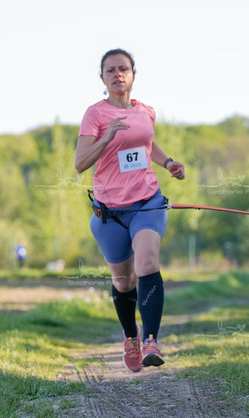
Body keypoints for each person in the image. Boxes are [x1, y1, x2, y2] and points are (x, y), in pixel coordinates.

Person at [75, 48, 185, 373]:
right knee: (124, 283)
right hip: (110, 213)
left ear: (133, 75)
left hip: (147, 202)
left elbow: (146, 145)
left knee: (147, 262)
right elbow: (80, 163)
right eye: (110, 70)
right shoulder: (95, 115)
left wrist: (167, 162)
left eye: (123, 69)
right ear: (102, 78)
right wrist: (107, 136)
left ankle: (151, 340)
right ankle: (131, 335)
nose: (117, 74)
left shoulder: (145, 111)